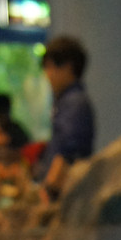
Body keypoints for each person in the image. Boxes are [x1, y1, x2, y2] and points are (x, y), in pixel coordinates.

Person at [36, 34, 95, 200]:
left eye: (50, 67)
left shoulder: (74, 103)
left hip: (63, 195)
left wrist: (49, 190)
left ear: (68, 67)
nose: (47, 74)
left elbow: (68, 154)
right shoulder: (68, 101)